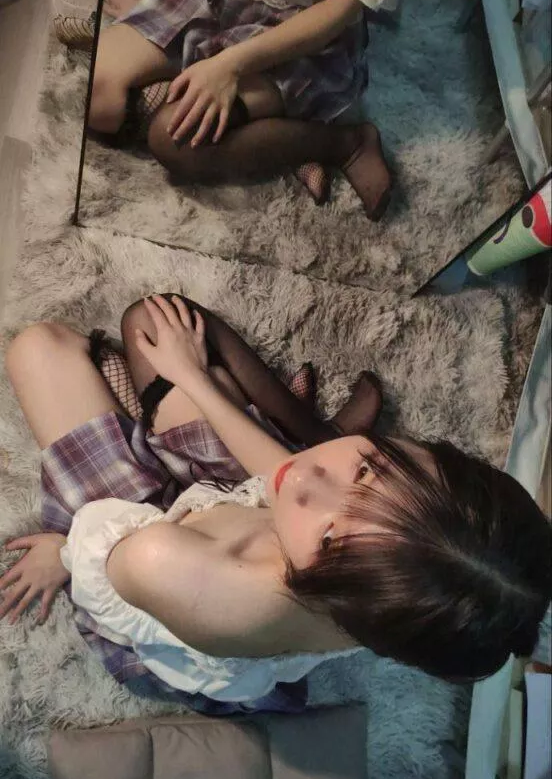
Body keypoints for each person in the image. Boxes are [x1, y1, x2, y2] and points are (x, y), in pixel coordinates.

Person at [3, 295, 550, 715]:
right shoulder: (397, 587)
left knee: (38, 349)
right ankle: (315, 429)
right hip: (222, 514)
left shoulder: (170, 566)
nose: (306, 476)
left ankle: (294, 431)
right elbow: (282, 479)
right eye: (369, 470)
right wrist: (192, 376)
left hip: (146, 550)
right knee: (155, 324)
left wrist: (69, 553)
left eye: (331, 539)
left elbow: (110, 562)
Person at [88, 0, 448, 216]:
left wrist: (228, 67)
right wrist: (149, 5)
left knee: (173, 139)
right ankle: (271, 135)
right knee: (99, 101)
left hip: (298, 31)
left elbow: (336, 11)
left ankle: (342, 143)